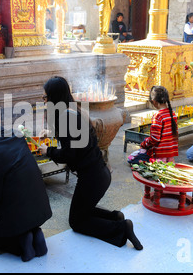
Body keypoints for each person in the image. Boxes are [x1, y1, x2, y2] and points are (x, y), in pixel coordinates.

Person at [38, 76, 143, 250]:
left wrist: (47, 151)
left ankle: (121, 228)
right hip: (99, 172)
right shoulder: (73, 111)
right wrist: (51, 134)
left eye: (45, 98)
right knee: (82, 212)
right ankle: (115, 217)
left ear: (54, 98)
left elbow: (69, 155)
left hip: (92, 178)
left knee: (76, 221)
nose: (44, 101)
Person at [0, 98, 52, 262]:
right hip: (39, 210)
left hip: (16, 215)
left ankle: (20, 243)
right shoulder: (17, 134)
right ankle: (34, 233)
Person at [140, 86, 179, 163]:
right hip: (170, 155)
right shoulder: (172, 114)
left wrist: (144, 143)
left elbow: (155, 139)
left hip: (160, 156)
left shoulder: (158, 116)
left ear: (154, 101)